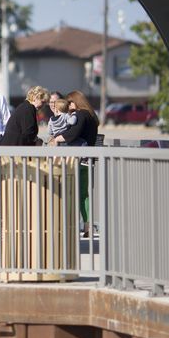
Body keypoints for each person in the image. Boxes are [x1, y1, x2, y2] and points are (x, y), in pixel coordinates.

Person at [50, 90, 101, 237]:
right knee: (84, 194)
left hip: (76, 160)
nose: (67, 105)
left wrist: (56, 139)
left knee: (69, 192)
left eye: (69, 102)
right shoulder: (92, 116)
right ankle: (88, 227)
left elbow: (72, 134)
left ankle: (69, 226)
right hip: (88, 160)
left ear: (75, 102)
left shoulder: (80, 115)